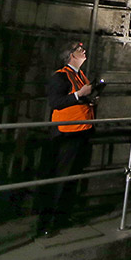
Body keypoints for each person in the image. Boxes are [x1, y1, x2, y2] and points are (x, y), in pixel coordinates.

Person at [36, 40, 97, 237]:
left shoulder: (79, 75)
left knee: (72, 178)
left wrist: (88, 98)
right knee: (60, 178)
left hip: (80, 132)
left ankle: (63, 216)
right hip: (65, 135)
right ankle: (46, 223)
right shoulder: (60, 76)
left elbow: (74, 99)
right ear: (71, 55)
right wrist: (80, 95)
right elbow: (55, 102)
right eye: (80, 49)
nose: (84, 51)